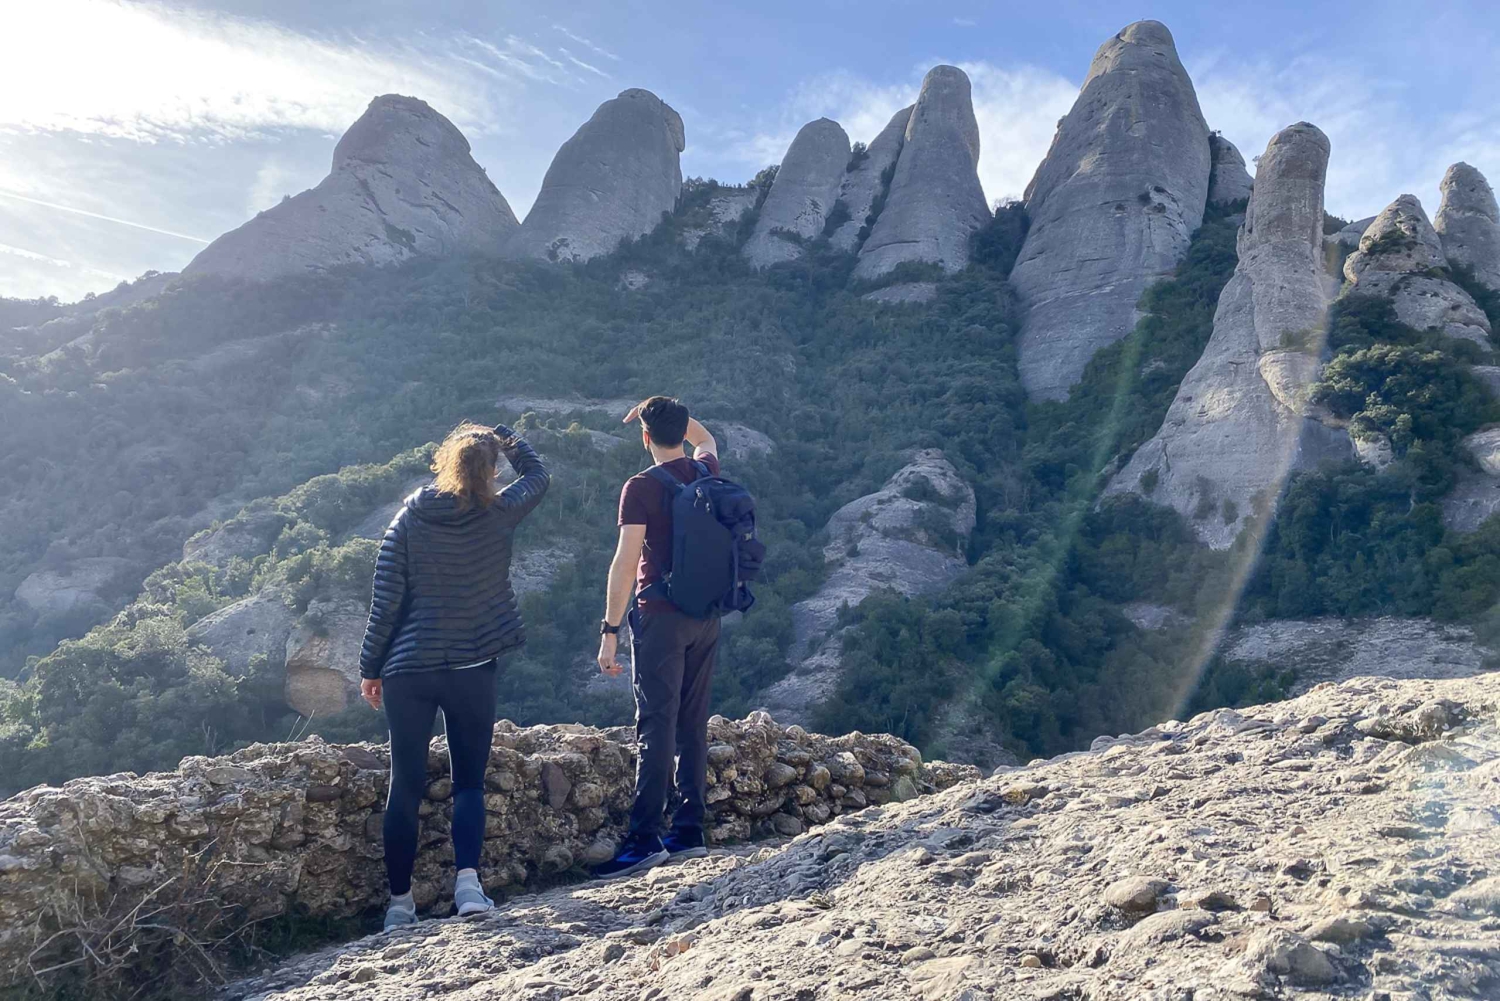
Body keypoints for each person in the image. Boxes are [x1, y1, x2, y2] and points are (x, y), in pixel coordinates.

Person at [358, 421, 549, 931]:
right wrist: (508, 437)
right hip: (471, 667)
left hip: (408, 670)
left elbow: (386, 602)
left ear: (445, 463)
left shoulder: (408, 518)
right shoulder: (500, 512)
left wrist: (370, 669)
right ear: (490, 472)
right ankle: (468, 887)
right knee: (468, 783)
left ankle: (399, 906)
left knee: (405, 786)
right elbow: (538, 476)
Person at [594, 396, 722, 879]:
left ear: (645, 437)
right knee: (692, 722)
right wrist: (666, 413)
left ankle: (645, 839)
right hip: (706, 616)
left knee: (655, 724)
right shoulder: (705, 470)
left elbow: (626, 564)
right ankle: (688, 830)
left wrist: (609, 630)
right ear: (681, 431)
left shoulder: (641, 486)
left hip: (661, 617)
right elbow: (706, 438)